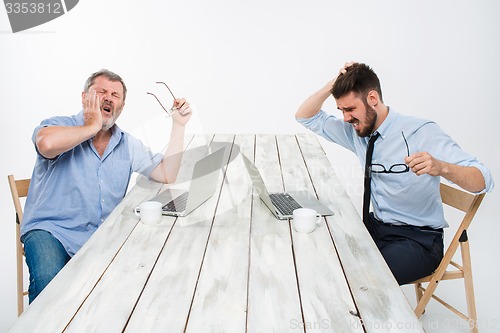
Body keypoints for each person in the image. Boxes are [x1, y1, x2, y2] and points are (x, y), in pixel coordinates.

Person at [295, 62, 494, 285]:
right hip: (376, 227)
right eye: (341, 110)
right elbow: (305, 117)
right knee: (318, 250)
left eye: (350, 109)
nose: (345, 118)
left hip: (418, 240)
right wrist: (332, 86)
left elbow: (483, 180)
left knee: (361, 279)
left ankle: (362, 317)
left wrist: (441, 167)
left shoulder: (421, 132)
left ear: (372, 99)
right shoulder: (357, 132)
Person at [21, 69, 192, 302]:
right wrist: (92, 126)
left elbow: (166, 173)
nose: (108, 97)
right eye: (101, 91)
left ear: (121, 106)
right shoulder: (58, 125)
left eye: (115, 94)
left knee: (140, 280)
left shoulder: (127, 144)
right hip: (51, 231)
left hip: (98, 236)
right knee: (49, 281)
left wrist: (179, 126)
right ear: (84, 98)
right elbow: (46, 144)